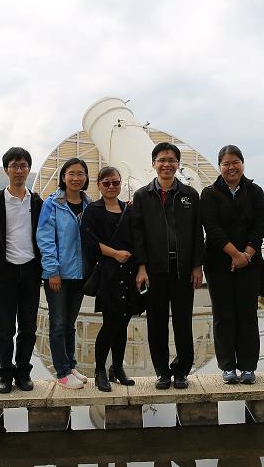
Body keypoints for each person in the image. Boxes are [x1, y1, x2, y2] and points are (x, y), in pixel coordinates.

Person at [132, 142, 205, 390]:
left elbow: (197, 233)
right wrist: (141, 267)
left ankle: (181, 371)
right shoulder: (142, 196)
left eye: (171, 160)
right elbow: (138, 235)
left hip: (182, 270)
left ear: (178, 164)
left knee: (183, 322)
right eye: (162, 160)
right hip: (155, 271)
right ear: (154, 163)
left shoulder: (189, 195)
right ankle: (162, 372)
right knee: (156, 323)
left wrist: (197, 265)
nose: (166, 164)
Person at [0, 147, 44, 393]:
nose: (19, 170)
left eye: (23, 165)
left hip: (30, 271)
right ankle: (5, 373)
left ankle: (23, 372)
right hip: (4, 272)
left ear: (29, 169)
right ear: (6, 169)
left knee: (28, 327)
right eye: (14, 166)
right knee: (5, 328)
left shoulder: (36, 202)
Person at [201, 145, 264, 384]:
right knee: (223, 315)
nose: (231, 167)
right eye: (226, 163)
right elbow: (212, 228)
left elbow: (260, 226)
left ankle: (248, 366)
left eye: (235, 162)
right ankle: (228, 366)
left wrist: (246, 255)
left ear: (242, 164)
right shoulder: (209, 193)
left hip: (249, 263)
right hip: (218, 263)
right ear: (220, 166)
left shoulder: (255, 191)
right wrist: (234, 254)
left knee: (248, 314)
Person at [81, 167, 140, 392]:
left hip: (128, 272)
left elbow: (137, 238)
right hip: (108, 273)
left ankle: (117, 368)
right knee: (110, 323)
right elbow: (89, 241)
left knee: (123, 322)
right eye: (106, 183)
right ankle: (99, 371)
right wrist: (115, 254)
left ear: (121, 183)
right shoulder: (93, 211)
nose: (111, 187)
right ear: (99, 185)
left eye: (115, 182)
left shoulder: (128, 209)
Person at [37, 158, 92, 389]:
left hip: (79, 274)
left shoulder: (89, 204)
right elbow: (45, 238)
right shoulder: (52, 204)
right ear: (63, 176)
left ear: (86, 177)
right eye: (71, 173)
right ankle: (61, 372)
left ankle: (70, 366)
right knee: (58, 323)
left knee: (70, 324)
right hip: (58, 275)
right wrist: (52, 271)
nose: (76, 178)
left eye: (80, 174)